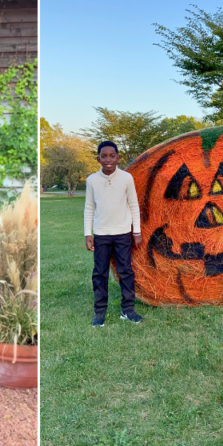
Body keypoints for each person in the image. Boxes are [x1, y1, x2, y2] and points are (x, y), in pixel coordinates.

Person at [84, 140, 143, 327]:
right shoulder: (92, 180)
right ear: (98, 159)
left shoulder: (127, 178)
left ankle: (128, 310)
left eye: (112, 156)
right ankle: (99, 312)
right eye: (104, 156)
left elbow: (134, 205)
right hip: (101, 234)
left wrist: (137, 232)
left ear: (118, 158)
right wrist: (88, 233)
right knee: (99, 273)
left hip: (123, 233)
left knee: (125, 272)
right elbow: (89, 208)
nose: (108, 159)